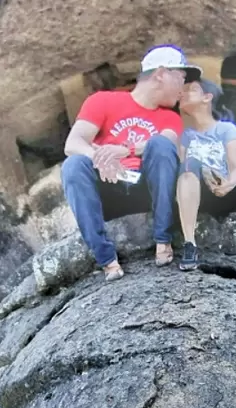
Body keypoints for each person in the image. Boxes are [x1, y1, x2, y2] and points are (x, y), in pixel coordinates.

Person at [61, 45, 201, 280]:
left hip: (147, 190)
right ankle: (107, 260)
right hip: (110, 184)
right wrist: (101, 159)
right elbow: (73, 143)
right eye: (181, 78)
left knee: (161, 145)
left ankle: (162, 241)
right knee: (73, 166)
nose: (183, 89)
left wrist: (123, 150)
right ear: (160, 74)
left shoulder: (170, 117)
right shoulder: (102, 101)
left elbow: (166, 144)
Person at [175, 78, 236, 281]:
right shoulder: (185, 133)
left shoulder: (226, 129)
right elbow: (183, 169)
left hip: (222, 190)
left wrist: (229, 183)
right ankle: (190, 244)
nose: (183, 94)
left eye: (191, 90)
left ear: (207, 98)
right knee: (190, 164)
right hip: (195, 193)